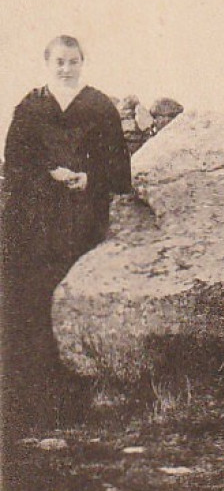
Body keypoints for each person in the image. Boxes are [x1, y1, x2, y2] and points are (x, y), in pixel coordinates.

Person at [1, 35, 132, 426]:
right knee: (29, 302)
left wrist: (88, 178)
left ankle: (79, 400)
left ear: (82, 62)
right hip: (35, 220)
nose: (66, 68)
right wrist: (48, 174)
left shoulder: (98, 106)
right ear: (47, 63)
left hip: (81, 218)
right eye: (59, 61)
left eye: (72, 61)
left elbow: (119, 167)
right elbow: (15, 164)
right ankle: (28, 399)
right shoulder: (30, 107)